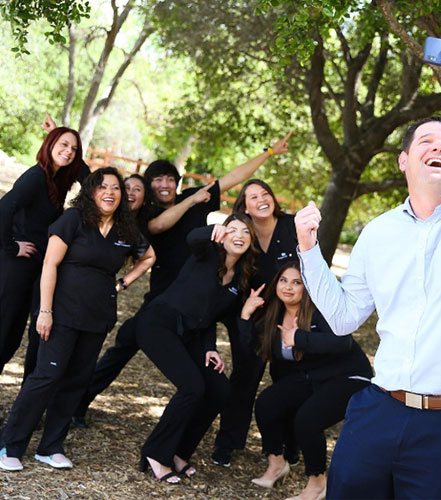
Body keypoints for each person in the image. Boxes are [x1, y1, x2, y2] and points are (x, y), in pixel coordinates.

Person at [294, 115, 441, 499]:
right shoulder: (378, 231)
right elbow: (343, 318)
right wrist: (309, 250)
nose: (438, 146)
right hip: (378, 411)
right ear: (403, 160)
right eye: (426, 141)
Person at [73, 133, 291, 426]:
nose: (164, 185)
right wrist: (190, 202)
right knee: (125, 343)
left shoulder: (195, 197)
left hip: (218, 293)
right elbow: (157, 224)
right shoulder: (146, 215)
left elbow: (233, 177)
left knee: (243, 350)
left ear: (177, 182)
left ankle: (229, 434)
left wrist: (269, 152)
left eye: (169, 179)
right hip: (168, 300)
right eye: (157, 180)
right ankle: (78, 404)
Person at [0, 167, 155, 472]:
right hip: (61, 312)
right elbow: (49, 265)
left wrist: (123, 283)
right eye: (102, 187)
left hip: (97, 316)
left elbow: (149, 256)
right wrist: (45, 311)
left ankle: (51, 447)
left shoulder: (126, 229)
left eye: (115, 188)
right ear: (91, 192)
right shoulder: (73, 220)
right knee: (46, 376)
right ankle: (10, 445)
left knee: (76, 381)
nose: (109, 192)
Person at [135, 213, 259, 484]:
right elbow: (193, 238)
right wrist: (211, 229)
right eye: (232, 229)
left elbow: (210, 317)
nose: (239, 235)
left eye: (245, 232)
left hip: (192, 335)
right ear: (222, 234)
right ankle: (156, 452)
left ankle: (179, 452)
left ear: (251, 241)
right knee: (193, 387)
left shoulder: (240, 278)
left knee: (219, 389)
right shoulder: (207, 253)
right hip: (158, 324)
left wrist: (210, 347)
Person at [240, 261, 372, 500]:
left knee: (307, 420)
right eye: (283, 280)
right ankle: (277, 463)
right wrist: (245, 316)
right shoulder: (272, 314)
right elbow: (252, 351)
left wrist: (299, 337)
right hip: (313, 377)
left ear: (306, 288)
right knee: (267, 403)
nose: (288, 287)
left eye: (296, 282)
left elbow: (343, 343)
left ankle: (318, 483)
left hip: (349, 376)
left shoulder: (319, 310)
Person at [213, 179, 299, 466]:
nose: (262, 200)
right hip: (252, 314)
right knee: (244, 379)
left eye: (265, 193)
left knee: (288, 379)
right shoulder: (242, 231)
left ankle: (290, 444)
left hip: (290, 315)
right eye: (253, 196)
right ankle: (228, 443)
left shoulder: (292, 225)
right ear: (244, 207)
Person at [0, 126, 88, 375]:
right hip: (14, 267)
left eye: (74, 149)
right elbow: (3, 209)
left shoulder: (56, 179)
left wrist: (69, 147)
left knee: (10, 340)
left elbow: (89, 179)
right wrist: (10, 246)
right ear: (49, 144)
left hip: (31, 269)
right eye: (63, 145)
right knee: (3, 335)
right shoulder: (36, 177)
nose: (69, 152)